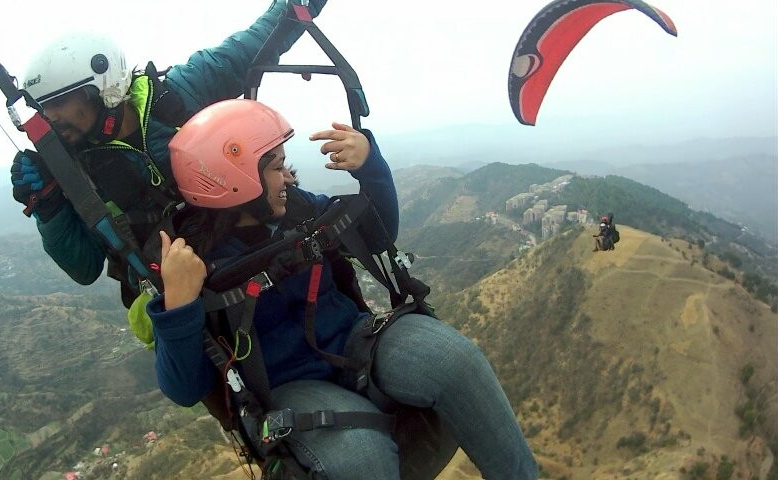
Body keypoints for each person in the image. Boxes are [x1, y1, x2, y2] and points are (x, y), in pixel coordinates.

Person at [148, 99, 539, 479]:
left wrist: (371, 166)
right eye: (275, 167)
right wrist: (178, 305)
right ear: (235, 181)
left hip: (356, 341)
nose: (287, 177)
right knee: (362, 458)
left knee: (457, 361)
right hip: (288, 385)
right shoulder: (193, 260)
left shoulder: (300, 209)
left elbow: (376, 235)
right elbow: (185, 388)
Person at [10, 0, 327, 306]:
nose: (49, 117)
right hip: (193, 303)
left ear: (100, 88)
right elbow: (84, 267)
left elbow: (258, 41)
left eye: (58, 102)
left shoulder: (179, 93)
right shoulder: (75, 171)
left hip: (258, 248)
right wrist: (50, 209)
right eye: (43, 108)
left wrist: (298, 4)